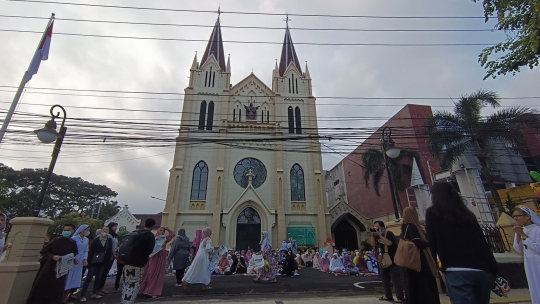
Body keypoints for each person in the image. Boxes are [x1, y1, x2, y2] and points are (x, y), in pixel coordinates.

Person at [426, 182, 499, 304]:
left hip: (456, 270)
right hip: (481, 271)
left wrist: (436, 265)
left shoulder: (433, 213)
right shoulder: (468, 215)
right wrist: (496, 272)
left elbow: (432, 241)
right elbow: (482, 243)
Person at [26, 224, 79, 304]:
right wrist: (53, 256)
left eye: (68, 230)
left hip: (61, 270)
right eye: (65, 230)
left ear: (73, 231)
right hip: (50, 268)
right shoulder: (56, 240)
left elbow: (72, 255)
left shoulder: (72, 243)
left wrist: (73, 260)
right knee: (42, 289)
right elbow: (44, 252)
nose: (66, 232)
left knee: (57, 290)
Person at [401, 206, 440, 304]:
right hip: (420, 259)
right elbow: (418, 243)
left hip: (410, 260)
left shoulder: (404, 227)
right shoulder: (412, 227)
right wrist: (429, 242)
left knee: (412, 283)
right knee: (425, 282)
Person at [121, 218, 156, 304]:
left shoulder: (135, 233)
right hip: (138, 263)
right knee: (135, 282)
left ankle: (124, 300)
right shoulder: (150, 235)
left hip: (128, 260)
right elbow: (149, 250)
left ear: (144, 224)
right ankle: (129, 301)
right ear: (152, 226)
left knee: (127, 282)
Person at [371, 220, 404, 303]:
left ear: (382, 227)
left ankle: (400, 297)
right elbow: (373, 244)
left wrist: (379, 235)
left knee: (395, 278)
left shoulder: (388, 234)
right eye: (375, 228)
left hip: (392, 259)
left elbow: (389, 243)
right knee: (385, 278)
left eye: (377, 228)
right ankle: (388, 295)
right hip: (383, 260)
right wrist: (373, 235)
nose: (376, 229)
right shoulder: (377, 236)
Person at [513, 205, 540, 303]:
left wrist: (524, 236)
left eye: (518, 216)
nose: (515, 218)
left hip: (538, 260)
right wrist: (518, 236)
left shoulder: (537, 229)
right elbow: (518, 249)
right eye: (514, 216)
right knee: (534, 286)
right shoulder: (520, 230)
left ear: (527, 216)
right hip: (529, 262)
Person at [138, 226, 175, 298]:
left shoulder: (165, 239)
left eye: (163, 231)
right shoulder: (153, 237)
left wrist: (167, 228)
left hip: (161, 257)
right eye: (161, 230)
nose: (162, 232)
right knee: (150, 272)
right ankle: (146, 289)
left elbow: (173, 234)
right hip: (153, 256)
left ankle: (153, 290)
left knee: (158, 273)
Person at [80, 227, 113, 302]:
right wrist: (88, 261)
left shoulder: (109, 240)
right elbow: (91, 251)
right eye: (103, 230)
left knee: (98, 278)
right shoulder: (96, 240)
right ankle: (83, 295)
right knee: (89, 278)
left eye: (106, 230)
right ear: (101, 231)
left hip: (103, 262)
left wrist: (107, 262)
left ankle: (94, 293)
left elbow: (109, 252)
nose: (105, 231)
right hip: (94, 261)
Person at [64, 224, 89, 303]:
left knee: (75, 279)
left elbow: (86, 250)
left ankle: (70, 294)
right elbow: (70, 250)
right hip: (73, 259)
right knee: (68, 278)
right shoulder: (74, 238)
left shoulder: (86, 240)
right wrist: (74, 258)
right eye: (87, 230)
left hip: (80, 261)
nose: (88, 231)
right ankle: (63, 298)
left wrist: (85, 259)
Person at [97, 222, 119, 295]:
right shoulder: (109, 236)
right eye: (114, 226)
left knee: (105, 272)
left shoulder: (114, 236)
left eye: (116, 226)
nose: (115, 228)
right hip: (108, 256)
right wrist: (114, 254)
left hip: (112, 256)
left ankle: (101, 288)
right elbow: (109, 246)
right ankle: (98, 289)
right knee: (103, 272)